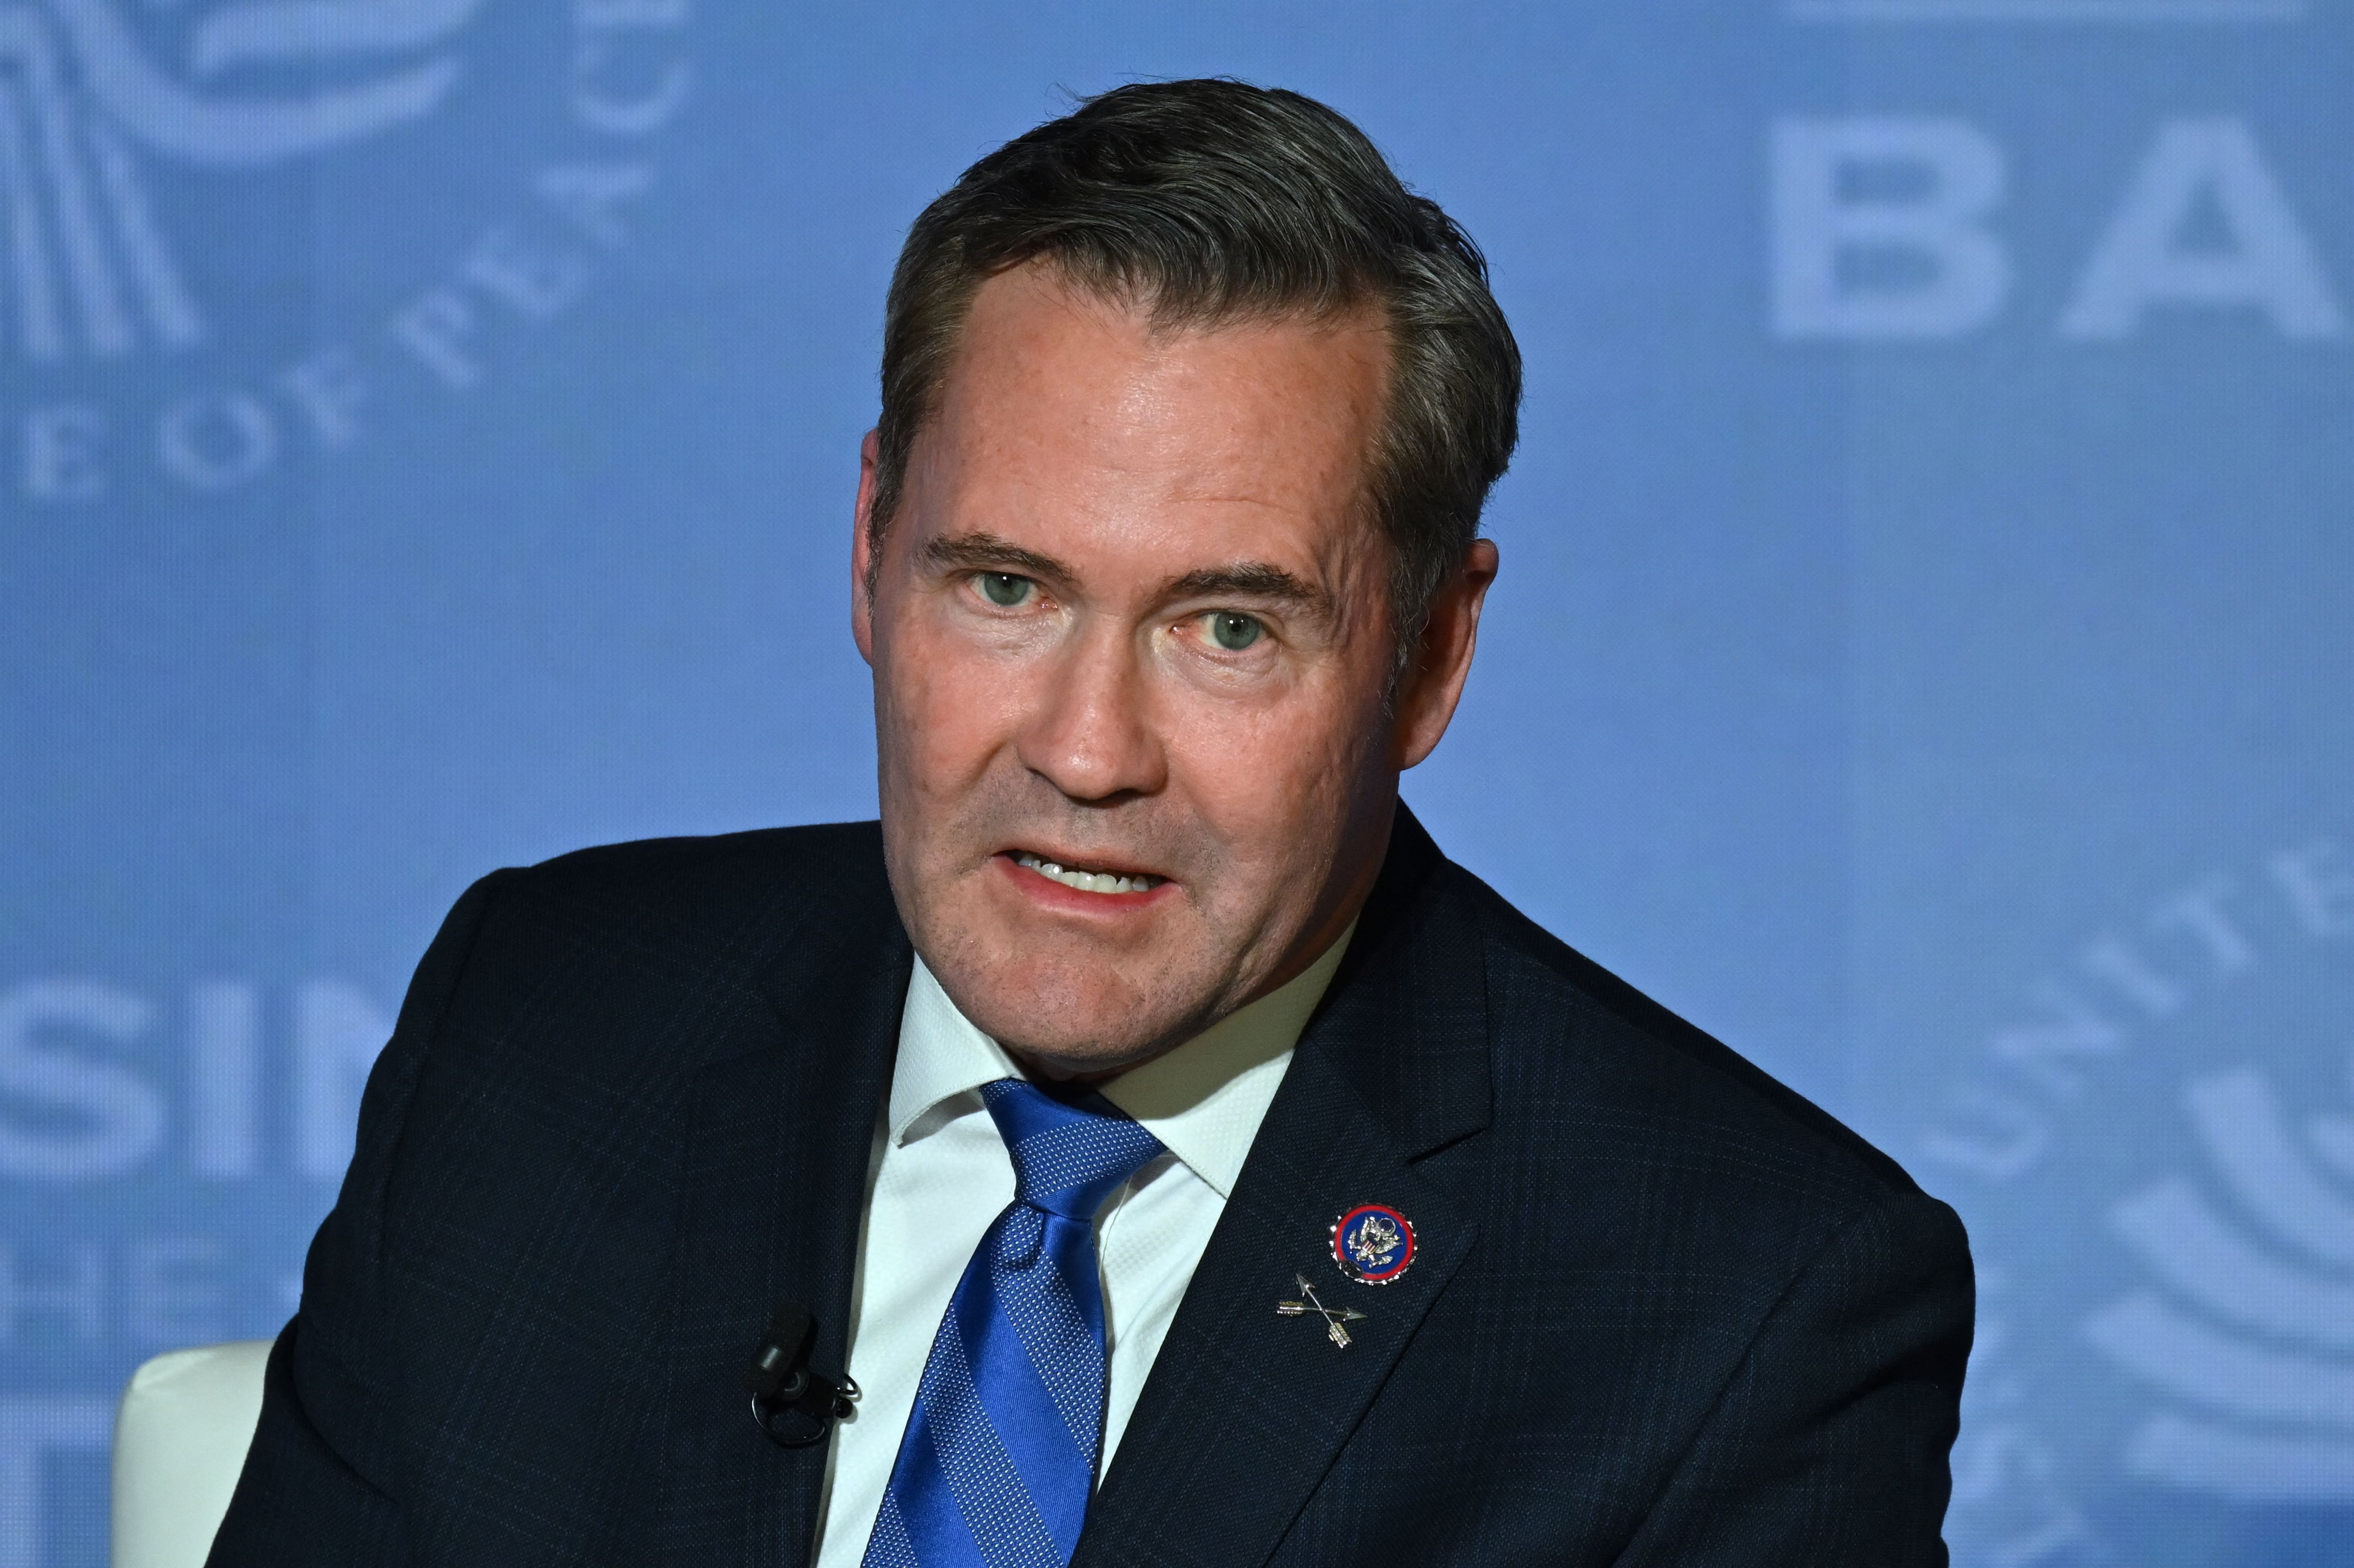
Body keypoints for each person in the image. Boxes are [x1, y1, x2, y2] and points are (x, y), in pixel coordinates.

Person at [210, 79, 1971, 1568]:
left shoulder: (1742, 1302)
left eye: (1229, 629)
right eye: (1006, 588)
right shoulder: (545, 1027)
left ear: (1431, 656)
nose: (1086, 751)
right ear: (870, 551)